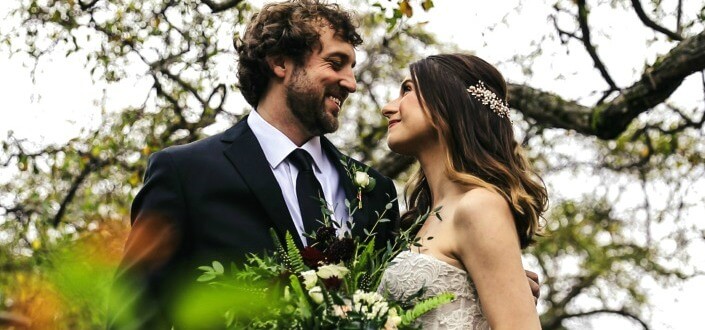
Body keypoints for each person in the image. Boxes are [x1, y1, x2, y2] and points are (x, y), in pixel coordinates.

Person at [107, 1, 398, 328]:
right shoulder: (184, 174)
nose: (351, 83)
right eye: (335, 63)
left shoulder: (377, 194)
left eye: (352, 68)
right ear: (280, 62)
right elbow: (131, 316)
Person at [377, 53, 548, 329]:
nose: (387, 107)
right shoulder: (419, 222)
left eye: (407, 90)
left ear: (445, 103)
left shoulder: (479, 206)